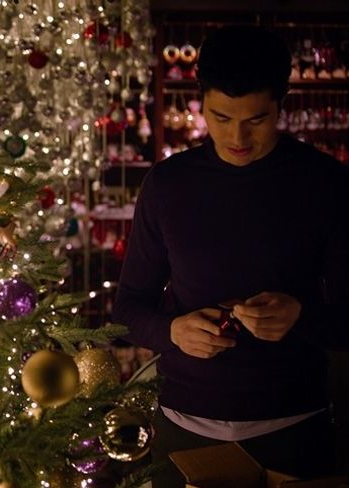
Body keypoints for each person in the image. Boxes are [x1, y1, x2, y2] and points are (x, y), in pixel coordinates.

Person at [112, 25, 349, 487]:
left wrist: (299, 314)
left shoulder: (326, 184)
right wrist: (173, 331)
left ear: (280, 104)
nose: (237, 137)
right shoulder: (166, 184)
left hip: (294, 429)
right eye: (221, 118)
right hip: (184, 429)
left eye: (256, 120)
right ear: (201, 102)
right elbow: (126, 309)